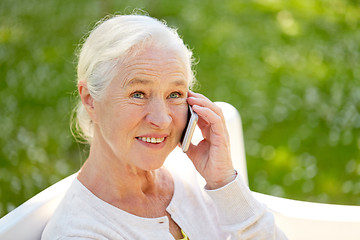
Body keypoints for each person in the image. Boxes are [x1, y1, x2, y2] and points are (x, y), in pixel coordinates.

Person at [41, 14, 287, 240]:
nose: (161, 120)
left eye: (174, 94)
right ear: (90, 100)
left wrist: (223, 182)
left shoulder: (194, 174)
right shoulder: (79, 233)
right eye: (138, 94)